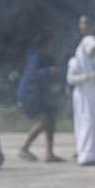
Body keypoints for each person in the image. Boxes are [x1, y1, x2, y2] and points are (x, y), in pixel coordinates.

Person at [67, 15, 95, 166]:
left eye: (86, 22)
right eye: (81, 22)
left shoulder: (90, 40)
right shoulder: (82, 47)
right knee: (87, 122)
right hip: (85, 91)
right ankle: (87, 155)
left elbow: (93, 49)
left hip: (92, 90)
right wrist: (89, 75)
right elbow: (71, 78)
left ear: (93, 25)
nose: (83, 25)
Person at [16, 34, 63, 163]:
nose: (51, 46)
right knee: (44, 121)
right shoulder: (34, 58)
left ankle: (49, 153)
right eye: (49, 43)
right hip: (30, 95)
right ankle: (24, 149)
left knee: (51, 122)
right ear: (43, 45)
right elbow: (33, 75)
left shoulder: (48, 58)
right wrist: (48, 71)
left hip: (42, 95)